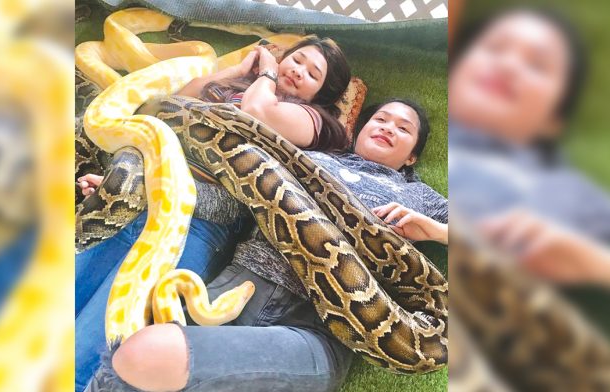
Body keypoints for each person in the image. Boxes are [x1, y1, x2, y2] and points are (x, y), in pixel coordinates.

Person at [99, 99, 448, 392]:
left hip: (316, 333)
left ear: (412, 157)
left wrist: (435, 231)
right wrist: (142, 191)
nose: (388, 127)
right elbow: (231, 204)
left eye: (403, 128)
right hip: (237, 289)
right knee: (132, 360)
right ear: (359, 131)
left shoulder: (420, 196)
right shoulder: (310, 159)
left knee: (145, 353)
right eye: (381, 119)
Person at [74, 36, 352, 391]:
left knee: (91, 346)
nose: (298, 71)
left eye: (313, 73)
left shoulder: (310, 119)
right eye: (297, 60)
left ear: (322, 94)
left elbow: (256, 114)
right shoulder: (240, 87)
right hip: (140, 202)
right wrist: (235, 71)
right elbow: (175, 103)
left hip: (197, 223)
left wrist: (266, 72)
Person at [448, 8, 610, 287]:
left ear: (554, 120)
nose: (508, 64)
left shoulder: (565, 188)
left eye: (538, 64)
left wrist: (592, 262)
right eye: (494, 47)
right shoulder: (404, 132)